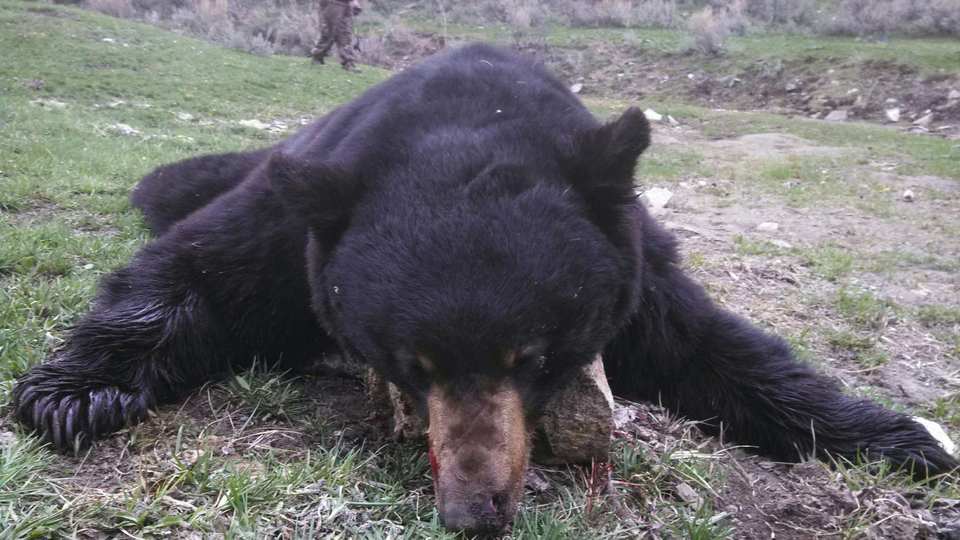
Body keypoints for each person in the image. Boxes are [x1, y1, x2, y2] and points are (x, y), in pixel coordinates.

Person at [311, 0, 362, 72]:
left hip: (345, 3)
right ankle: (318, 56)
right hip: (333, 2)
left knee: (345, 33)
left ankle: (348, 62)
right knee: (330, 31)